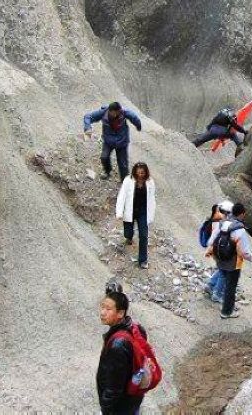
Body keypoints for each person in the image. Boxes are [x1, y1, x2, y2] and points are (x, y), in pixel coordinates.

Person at [97, 283, 146, 414]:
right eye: (102, 307)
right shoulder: (136, 328)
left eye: (108, 309)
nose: (102, 312)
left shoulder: (117, 345)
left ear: (120, 312)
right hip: (134, 398)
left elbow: (113, 388)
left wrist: (106, 410)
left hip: (121, 406)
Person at [206, 203, 252, 319]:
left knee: (222, 272)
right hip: (233, 262)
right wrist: (251, 258)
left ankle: (212, 287)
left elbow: (212, 239)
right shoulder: (240, 229)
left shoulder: (223, 223)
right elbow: (244, 251)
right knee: (230, 287)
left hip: (220, 256)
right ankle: (226, 312)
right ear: (242, 214)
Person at [84, 102, 142, 180]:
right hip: (108, 141)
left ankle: (124, 181)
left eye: (118, 112)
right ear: (110, 111)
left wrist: (138, 126)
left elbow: (134, 118)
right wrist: (88, 127)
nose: (116, 114)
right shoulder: (103, 112)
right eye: (115, 112)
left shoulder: (124, 112)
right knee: (104, 157)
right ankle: (107, 172)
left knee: (123, 164)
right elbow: (88, 116)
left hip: (122, 142)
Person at [116, 162, 156, 269]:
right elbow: (122, 196)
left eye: (142, 173)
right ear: (134, 172)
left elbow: (152, 199)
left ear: (146, 172)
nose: (140, 175)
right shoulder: (128, 180)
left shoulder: (150, 182)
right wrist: (119, 212)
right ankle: (129, 237)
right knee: (128, 232)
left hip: (143, 211)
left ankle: (143, 260)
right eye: (138, 173)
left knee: (143, 235)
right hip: (130, 209)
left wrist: (151, 215)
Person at [203, 200, 234, 303]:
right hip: (224, 252)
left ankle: (210, 285)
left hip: (217, 250)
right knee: (225, 273)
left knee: (221, 270)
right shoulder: (229, 225)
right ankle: (217, 294)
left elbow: (212, 238)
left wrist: (210, 247)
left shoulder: (219, 222)